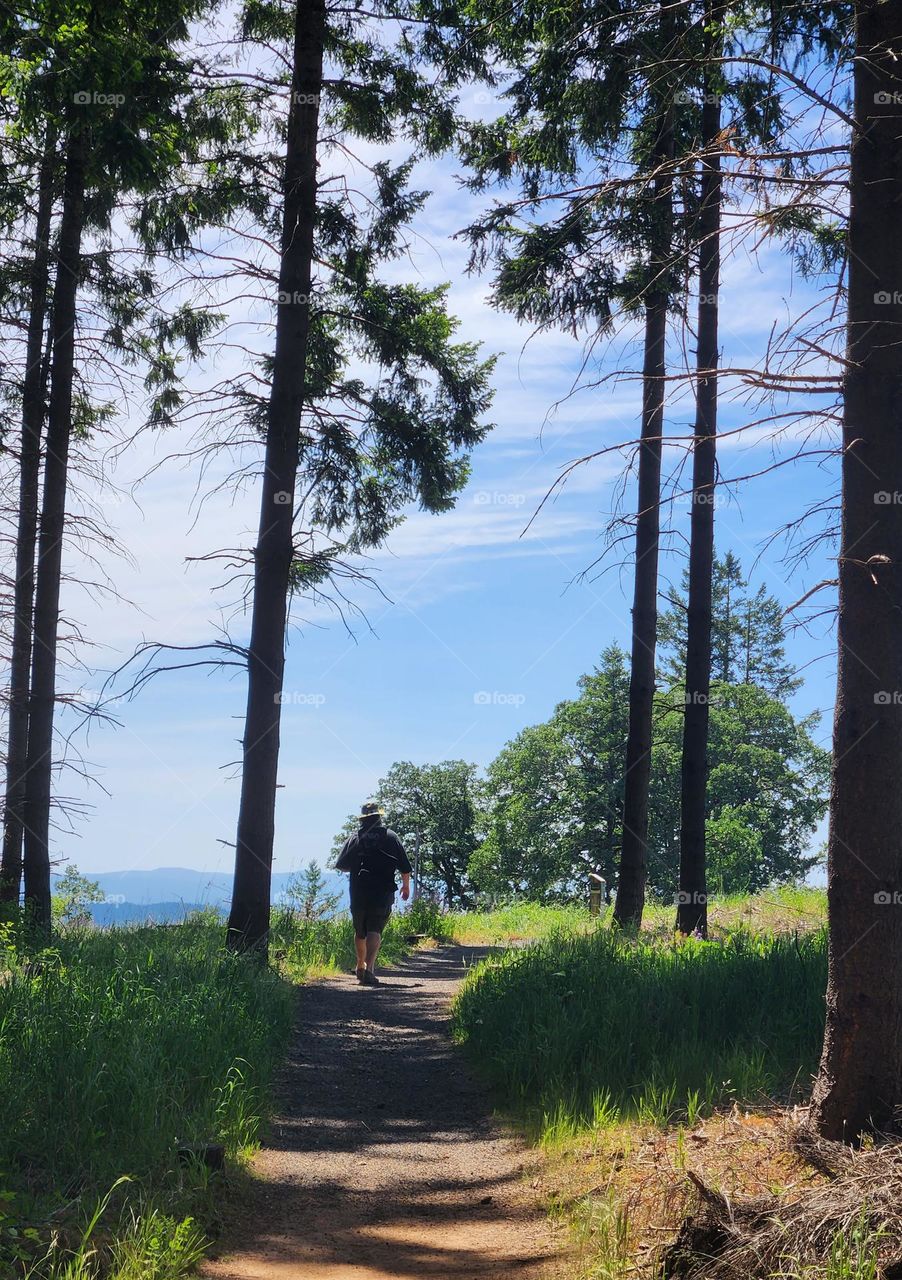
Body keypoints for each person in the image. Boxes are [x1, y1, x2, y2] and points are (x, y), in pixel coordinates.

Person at [335, 801, 412, 985]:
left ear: (363, 819)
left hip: (358, 890)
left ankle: (360, 965)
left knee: (360, 931)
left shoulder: (355, 838)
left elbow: (341, 865)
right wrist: (405, 886)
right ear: (379, 817)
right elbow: (405, 867)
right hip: (382, 891)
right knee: (374, 929)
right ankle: (369, 968)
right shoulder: (391, 837)